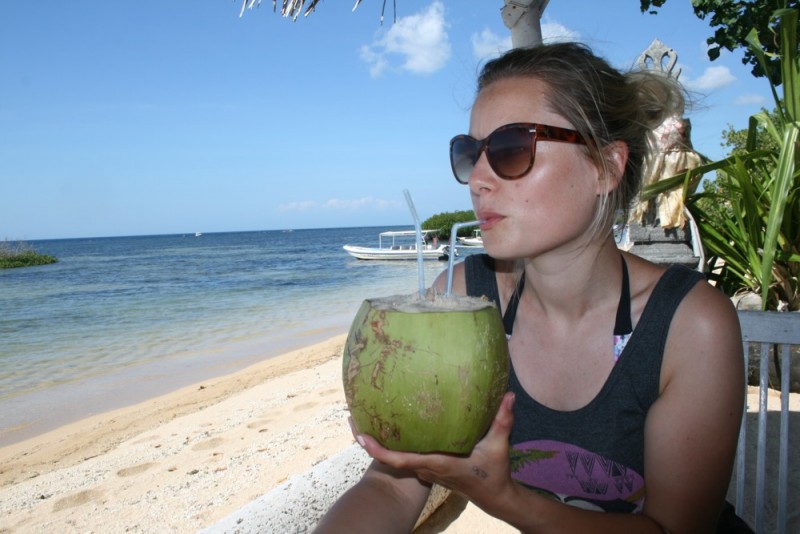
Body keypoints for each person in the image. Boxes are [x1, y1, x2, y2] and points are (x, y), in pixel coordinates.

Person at [316, 42, 745, 533]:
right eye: (469, 153)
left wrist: (505, 499)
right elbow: (391, 486)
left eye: (510, 148)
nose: (477, 179)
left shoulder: (690, 325)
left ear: (606, 167)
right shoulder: (462, 302)